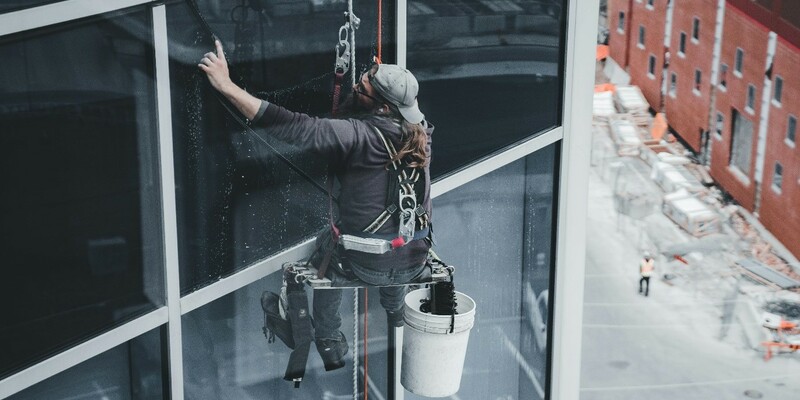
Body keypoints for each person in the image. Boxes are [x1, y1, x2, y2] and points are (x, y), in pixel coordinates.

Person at [199, 40, 433, 370]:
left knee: (330, 247)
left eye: (363, 84)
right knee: (395, 250)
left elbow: (289, 125)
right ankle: (395, 310)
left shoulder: (357, 136)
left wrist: (226, 86)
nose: (357, 83)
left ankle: (329, 339)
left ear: (382, 108)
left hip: (368, 264)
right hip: (413, 257)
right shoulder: (421, 134)